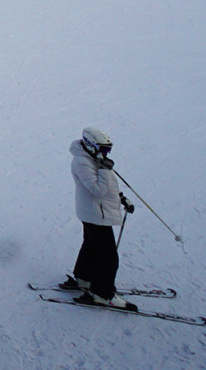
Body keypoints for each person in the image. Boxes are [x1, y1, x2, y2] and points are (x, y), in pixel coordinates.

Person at [66, 127, 136, 308]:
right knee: (108, 256)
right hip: (96, 214)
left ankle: (84, 279)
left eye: (108, 149)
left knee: (91, 246)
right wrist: (105, 170)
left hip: (94, 212)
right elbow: (98, 190)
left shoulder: (92, 159)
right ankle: (102, 293)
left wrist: (121, 198)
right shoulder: (82, 162)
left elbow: (107, 186)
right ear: (91, 145)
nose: (106, 153)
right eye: (103, 149)